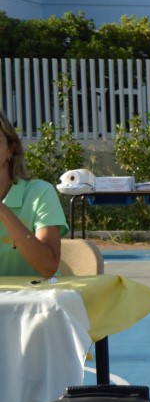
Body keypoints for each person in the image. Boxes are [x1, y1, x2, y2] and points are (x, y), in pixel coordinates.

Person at [0, 110, 66, 279]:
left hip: (36, 295)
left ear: (11, 149)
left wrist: (3, 211)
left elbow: (48, 266)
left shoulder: (40, 193)